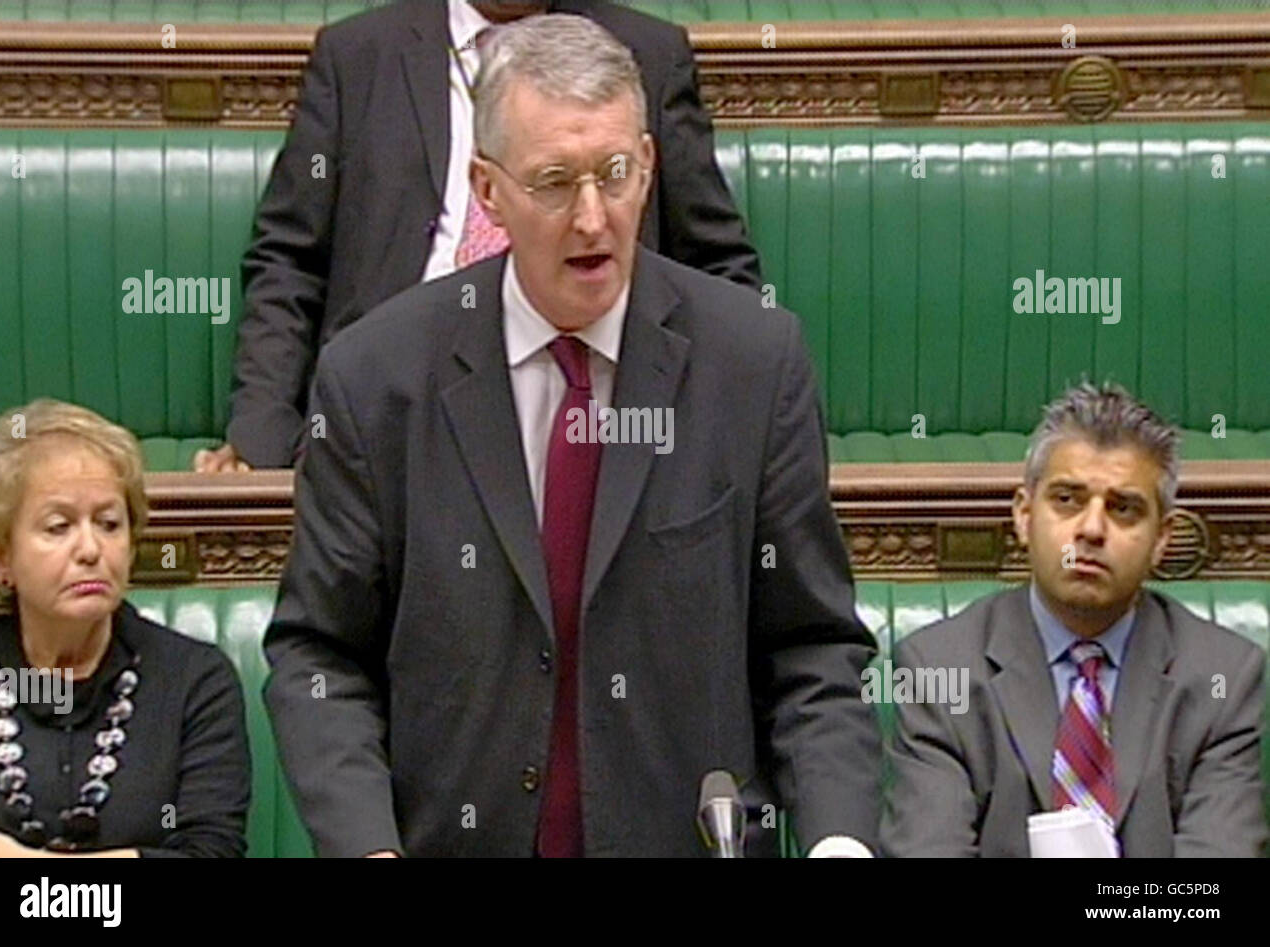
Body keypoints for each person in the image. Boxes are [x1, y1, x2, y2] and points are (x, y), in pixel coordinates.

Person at [263, 14, 878, 858]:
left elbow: (810, 647)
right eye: (554, 182)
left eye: (615, 174)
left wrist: (840, 840)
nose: (593, 217)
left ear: (651, 166)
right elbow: (319, 654)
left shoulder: (752, 364)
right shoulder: (377, 377)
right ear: (487, 191)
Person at [197, 0, 762, 472]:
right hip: (395, 408)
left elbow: (716, 263)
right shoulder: (358, 56)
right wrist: (261, 442)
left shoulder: (648, 53)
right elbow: (290, 261)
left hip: (593, 406)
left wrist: (715, 434)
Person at [881, 381, 1268, 857]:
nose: (1091, 529)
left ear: (1163, 537)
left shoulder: (1221, 678)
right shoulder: (938, 669)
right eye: (1067, 499)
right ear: (1024, 516)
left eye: (1123, 508)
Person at [0, 400, 249, 857]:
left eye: (109, 524)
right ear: (2, 557)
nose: (90, 549)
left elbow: (212, 852)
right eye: (59, 526)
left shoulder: (193, 680)